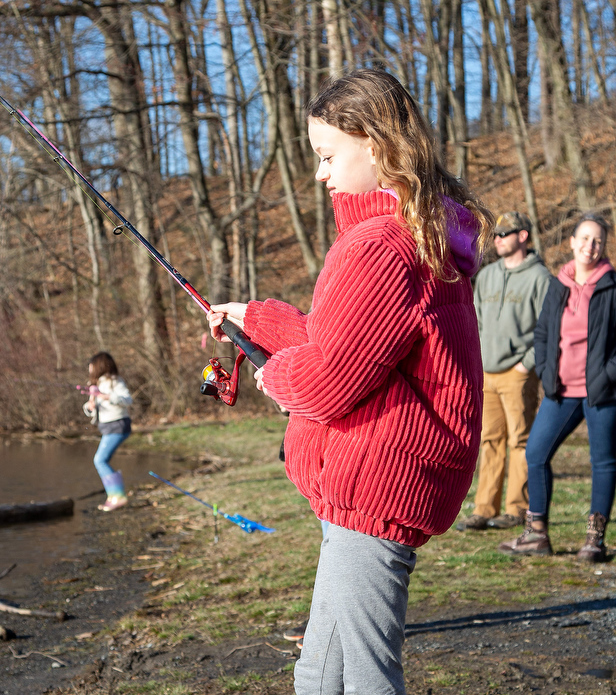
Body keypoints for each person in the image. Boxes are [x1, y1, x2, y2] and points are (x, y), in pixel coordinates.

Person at [207, 68, 493, 695]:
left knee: (365, 678)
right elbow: (351, 340)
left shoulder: (378, 248)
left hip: (379, 482)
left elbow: (330, 379)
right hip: (379, 481)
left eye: (327, 155)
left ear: (378, 145)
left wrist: (275, 375)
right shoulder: (414, 235)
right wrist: (255, 319)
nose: (320, 174)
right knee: (318, 673)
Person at [499, 213, 616, 562]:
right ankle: (537, 534)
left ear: (603, 246)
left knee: (603, 462)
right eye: (584, 238)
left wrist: (607, 375)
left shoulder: (611, 287)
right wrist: (548, 371)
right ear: (571, 242)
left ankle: (594, 540)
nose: (589, 246)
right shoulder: (558, 284)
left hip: (601, 392)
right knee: (535, 454)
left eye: (597, 240)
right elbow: (544, 332)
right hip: (560, 390)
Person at [457, 212, 552, 532]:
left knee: (521, 440)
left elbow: (549, 327)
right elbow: (477, 322)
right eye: (495, 235)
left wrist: (527, 363)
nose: (497, 240)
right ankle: (484, 508)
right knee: (489, 439)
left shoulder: (540, 278)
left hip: (518, 373)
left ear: (523, 236)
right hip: (487, 371)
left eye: (504, 234)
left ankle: (517, 507)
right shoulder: (487, 276)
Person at [83, 352, 133, 512]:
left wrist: (107, 396)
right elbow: (92, 408)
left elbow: (127, 400)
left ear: (99, 366)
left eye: (91, 367)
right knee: (102, 461)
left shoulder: (114, 381)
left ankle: (118, 497)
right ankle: (113, 497)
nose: (89, 370)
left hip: (117, 426)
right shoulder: (96, 384)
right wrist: (89, 407)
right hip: (107, 427)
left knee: (100, 461)